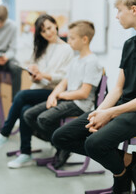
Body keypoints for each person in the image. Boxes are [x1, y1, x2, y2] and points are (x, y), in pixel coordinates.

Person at [52, 0, 136, 194]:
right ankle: (128, 164)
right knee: (62, 136)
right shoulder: (129, 44)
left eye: (119, 11)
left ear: (133, 10)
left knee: (95, 143)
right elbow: (118, 89)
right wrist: (99, 112)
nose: (116, 16)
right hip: (120, 111)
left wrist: (110, 113)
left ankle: (121, 182)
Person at [0, 14, 74, 169]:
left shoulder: (67, 49)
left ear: (56, 25)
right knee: (25, 109)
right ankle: (25, 153)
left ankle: (5, 133)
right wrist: (34, 75)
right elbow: (37, 76)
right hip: (40, 89)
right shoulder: (41, 48)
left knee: (21, 95)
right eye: (43, 31)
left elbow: (66, 78)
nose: (48, 32)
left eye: (50, 28)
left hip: (56, 93)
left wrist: (44, 75)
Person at [24, 20, 103, 169]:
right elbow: (64, 82)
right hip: (67, 100)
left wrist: (61, 96)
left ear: (84, 39)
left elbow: (84, 93)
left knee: (43, 119)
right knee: (29, 115)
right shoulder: (75, 60)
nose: (69, 41)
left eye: (72, 38)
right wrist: (53, 95)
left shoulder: (92, 62)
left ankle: (63, 144)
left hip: (79, 105)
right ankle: (61, 144)